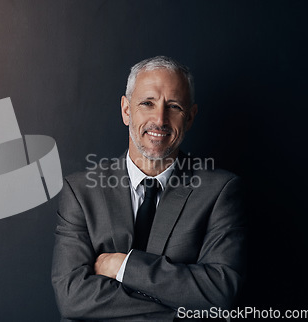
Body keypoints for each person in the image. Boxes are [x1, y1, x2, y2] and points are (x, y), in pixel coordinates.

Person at [51, 56, 246, 321]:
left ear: (189, 118)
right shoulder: (81, 191)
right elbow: (72, 298)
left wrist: (122, 266)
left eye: (174, 106)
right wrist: (179, 310)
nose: (160, 119)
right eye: (147, 103)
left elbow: (219, 293)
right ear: (126, 110)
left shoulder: (220, 191)